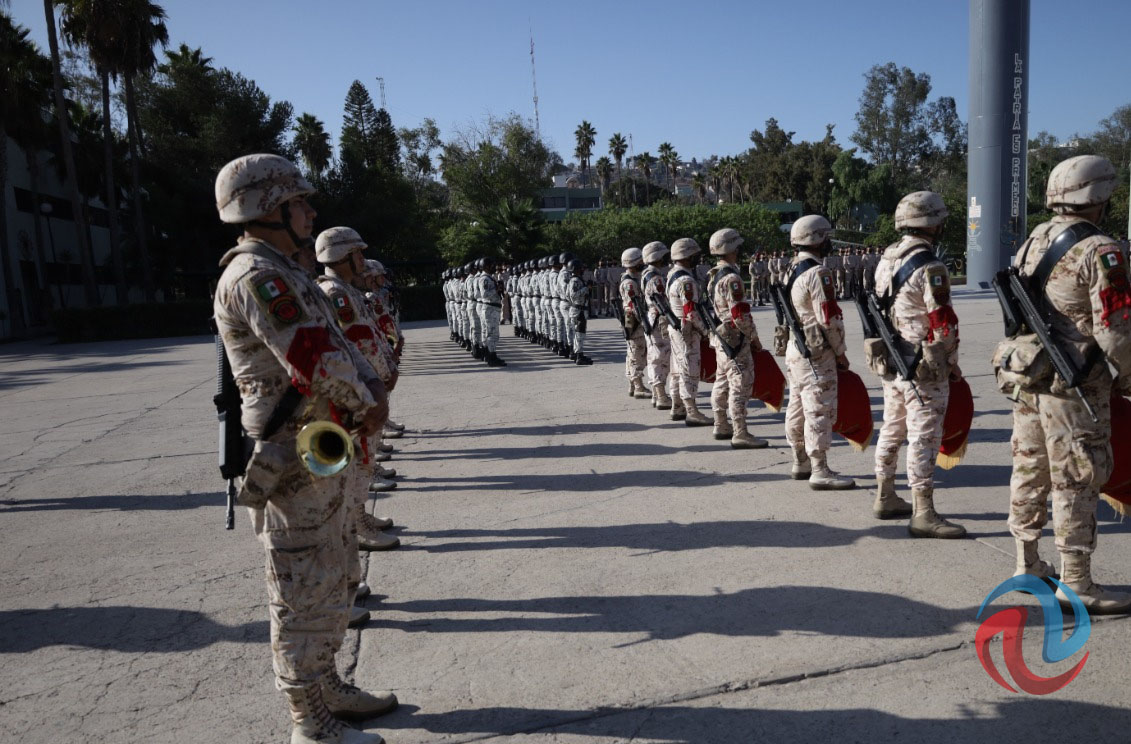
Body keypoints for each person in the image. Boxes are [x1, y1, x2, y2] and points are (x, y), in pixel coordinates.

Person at [212, 154, 393, 744]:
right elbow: (315, 356)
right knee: (298, 586)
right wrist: (367, 402)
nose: (311, 211)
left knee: (335, 570)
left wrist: (365, 394)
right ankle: (307, 718)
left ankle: (327, 684)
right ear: (268, 207)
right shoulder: (255, 278)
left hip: (319, 448)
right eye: (300, 202)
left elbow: (337, 340)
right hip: (291, 457)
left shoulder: (281, 268)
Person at [997, 154, 1131, 613]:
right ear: (1099, 197)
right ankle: (1076, 582)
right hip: (1075, 383)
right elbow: (1115, 328)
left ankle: (1027, 561)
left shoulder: (1035, 238)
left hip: (1031, 372)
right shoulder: (1102, 250)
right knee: (1077, 474)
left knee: (1029, 465)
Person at [869, 192, 965, 536]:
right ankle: (923, 512)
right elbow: (943, 323)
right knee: (923, 436)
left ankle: (886, 495)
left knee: (892, 427)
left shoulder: (886, 259)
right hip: (923, 366)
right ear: (932, 223)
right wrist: (952, 362)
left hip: (894, 362)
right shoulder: (931, 265)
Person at [782, 215, 855, 490]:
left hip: (796, 346)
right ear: (818, 239)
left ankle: (799, 460)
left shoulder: (792, 269)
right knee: (818, 409)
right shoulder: (818, 273)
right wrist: (840, 351)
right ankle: (820, 469)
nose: (829, 242)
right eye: (826, 237)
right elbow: (829, 318)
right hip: (815, 351)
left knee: (797, 405)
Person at [707, 228, 769, 449]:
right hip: (735, 340)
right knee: (740, 385)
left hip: (721, 339)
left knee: (722, 382)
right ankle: (740, 432)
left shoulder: (714, 276)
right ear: (731, 249)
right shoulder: (732, 278)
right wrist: (754, 338)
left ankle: (721, 423)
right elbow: (740, 315)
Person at [665, 238, 712, 426]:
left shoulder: (672, 275)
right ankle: (692, 411)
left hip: (676, 327)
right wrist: (707, 330)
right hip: (686, 330)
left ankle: (677, 406)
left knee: (677, 368)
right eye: (694, 255)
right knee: (689, 370)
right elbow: (691, 311)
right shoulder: (686, 281)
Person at [642, 241, 677, 413]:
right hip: (658, 317)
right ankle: (661, 394)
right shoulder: (655, 277)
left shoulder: (647, 274)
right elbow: (663, 298)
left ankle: (658, 394)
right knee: (660, 357)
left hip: (653, 317)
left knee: (655, 356)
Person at [618, 247, 650, 397]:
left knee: (632, 352)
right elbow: (634, 305)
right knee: (637, 352)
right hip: (635, 321)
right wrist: (645, 322)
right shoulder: (630, 283)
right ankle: (638, 386)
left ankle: (632, 383)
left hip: (632, 319)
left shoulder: (630, 279)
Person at [476, 257, 507, 367]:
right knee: (492, 334)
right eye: (491, 265)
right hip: (490, 308)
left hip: (492, 308)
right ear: (486, 266)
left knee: (489, 333)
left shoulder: (489, 278)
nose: (494, 267)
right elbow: (485, 294)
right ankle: (491, 357)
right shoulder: (484, 279)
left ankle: (488, 355)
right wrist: (496, 290)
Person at [566, 259, 592, 365]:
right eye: (581, 268)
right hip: (577, 310)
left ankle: (578, 354)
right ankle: (579, 356)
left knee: (579, 334)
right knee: (579, 334)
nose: (583, 270)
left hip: (578, 309)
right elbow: (573, 295)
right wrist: (586, 289)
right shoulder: (575, 281)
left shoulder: (577, 279)